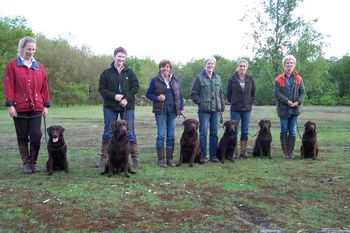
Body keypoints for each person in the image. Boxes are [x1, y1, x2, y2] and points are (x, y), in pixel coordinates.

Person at [3, 36, 51, 174]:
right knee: (22, 136)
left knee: (36, 136)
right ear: (22, 48)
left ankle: (33, 162)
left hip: (37, 106)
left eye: (33, 49)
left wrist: (46, 105)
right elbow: (9, 86)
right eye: (28, 49)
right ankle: (26, 163)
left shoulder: (39, 67)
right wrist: (10, 104)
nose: (31, 52)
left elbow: (44, 87)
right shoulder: (12, 66)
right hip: (19, 108)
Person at [98, 47, 140, 169]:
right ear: (114, 56)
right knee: (108, 132)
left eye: (123, 57)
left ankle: (135, 159)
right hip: (110, 106)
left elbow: (135, 87)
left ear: (124, 58)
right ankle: (104, 159)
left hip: (128, 106)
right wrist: (114, 96)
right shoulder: (106, 73)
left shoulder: (130, 72)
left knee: (130, 132)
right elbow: (102, 89)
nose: (120, 59)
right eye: (119, 56)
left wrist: (126, 98)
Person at [146, 59, 184, 167]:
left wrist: (181, 107)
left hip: (173, 111)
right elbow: (148, 94)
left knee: (171, 135)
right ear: (160, 68)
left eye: (167, 67)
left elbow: (180, 95)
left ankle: (170, 159)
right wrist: (157, 97)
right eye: (163, 66)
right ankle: (161, 160)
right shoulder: (155, 80)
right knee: (161, 135)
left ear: (170, 68)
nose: (165, 69)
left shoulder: (175, 79)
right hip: (160, 111)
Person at [190, 57, 225, 163]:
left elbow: (220, 94)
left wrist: (222, 107)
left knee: (214, 133)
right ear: (205, 65)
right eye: (208, 63)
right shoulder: (199, 78)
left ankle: (213, 156)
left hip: (216, 111)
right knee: (203, 133)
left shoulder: (218, 78)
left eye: (212, 63)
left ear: (214, 65)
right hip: (204, 111)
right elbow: (193, 94)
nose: (210, 65)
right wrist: (201, 102)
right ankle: (203, 156)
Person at [274, 55, 306, 159]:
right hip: (283, 109)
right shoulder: (278, 79)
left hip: (295, 109)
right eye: (287, 63)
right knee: (284, 130)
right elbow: (277, 94)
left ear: (294, 65)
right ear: (284, 65)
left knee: (292, 131)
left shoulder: (299, 78)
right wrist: (287, 101)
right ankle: (285, 152)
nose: (289, 64)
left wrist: (298, 102)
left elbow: (303, 93)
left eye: (291, 63)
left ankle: (291, 152)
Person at [226, 59, 255, 159]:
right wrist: (234, 102)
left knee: (245, 130)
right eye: (240, 66)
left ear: (247, 67)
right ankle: (234, 151)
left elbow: (253, 93)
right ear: (237, 67)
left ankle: (244, 151)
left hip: (247, 108)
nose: (242, 68)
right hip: (235, 108)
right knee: (234, 130)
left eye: (244, 66)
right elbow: (228, 94)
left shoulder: (250, 79)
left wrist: (250, 102)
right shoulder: (232, 79)